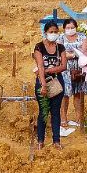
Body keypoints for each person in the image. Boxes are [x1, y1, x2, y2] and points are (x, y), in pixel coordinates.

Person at [33, 20, 68, 150]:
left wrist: (48, 70)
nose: (53, 34)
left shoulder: (61, 47)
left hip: (57, 81)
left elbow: (63, 66)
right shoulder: (39, 47)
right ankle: (40, 140)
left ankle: (56, 140)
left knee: (55, 112)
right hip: (43, 81)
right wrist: (43, 85)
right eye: (51, 32)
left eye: (55, 32)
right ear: (45, 32)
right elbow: (40, 66)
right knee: (43, 111)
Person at [60, 18, 87, 134]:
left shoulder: (83, 37)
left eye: (72, 27)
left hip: (79, 68)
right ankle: (63, 118)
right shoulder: (60, 38)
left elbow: (84, 51)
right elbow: (61, 53)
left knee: (78, 93)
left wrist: (70, 54)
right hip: (65, 69)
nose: (70, 30)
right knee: (65, 95)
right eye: (68, 28)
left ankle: (79, 118)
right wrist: (74, 54)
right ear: (64, 28)